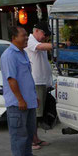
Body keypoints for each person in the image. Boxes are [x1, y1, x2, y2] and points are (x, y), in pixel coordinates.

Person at [0, 25, 46, 156]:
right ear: (14, 38)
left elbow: (27, 77)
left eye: (26, 35)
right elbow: (11, 80)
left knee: (29, 130)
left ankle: (27, 155)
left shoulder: (23, 53)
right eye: (23, 36)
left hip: (29, 101)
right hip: (17, 103)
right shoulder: (9, 56)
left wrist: (33, 97)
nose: (26, 38)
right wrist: (20, 99)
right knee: (19, 133)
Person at [25, 20, 54, 149]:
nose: (45, 37)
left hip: (42, 83)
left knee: (39, 113)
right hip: (36, 82)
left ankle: (35, 138)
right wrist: (56, 45)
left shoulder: (39, 42)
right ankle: (31, 140)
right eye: (44, 34)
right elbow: (41, 47)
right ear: (36, 31)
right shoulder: (31, 41)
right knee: (34, 114)